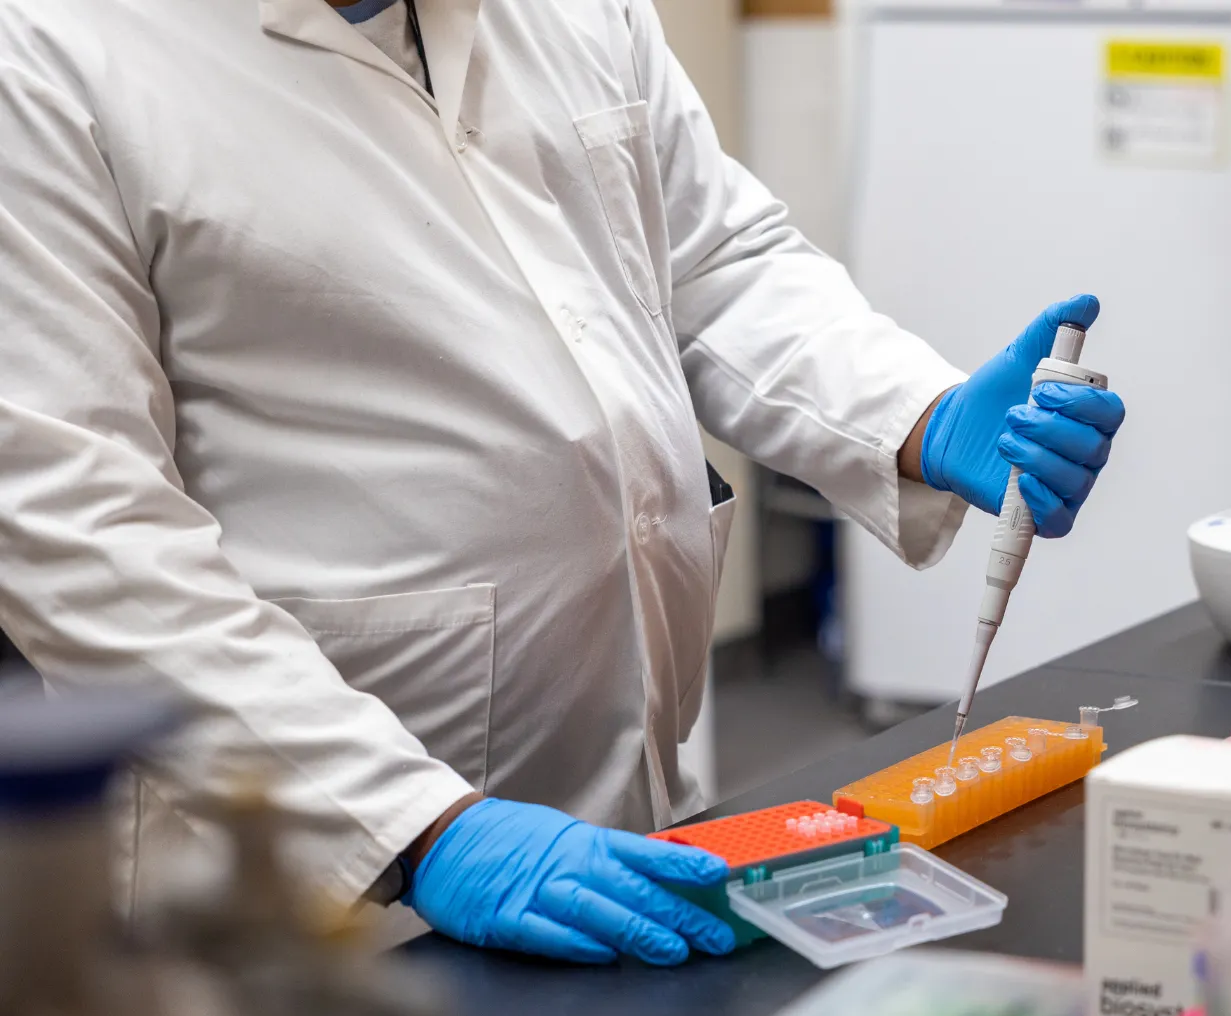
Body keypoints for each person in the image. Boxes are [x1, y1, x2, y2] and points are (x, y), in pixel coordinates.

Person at [0, 0, 1126, 967]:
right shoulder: (51, 53)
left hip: (629, 803)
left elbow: (713, 262)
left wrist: (917, 416)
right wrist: (414, 825)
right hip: (312, 860)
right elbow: (82, 528)